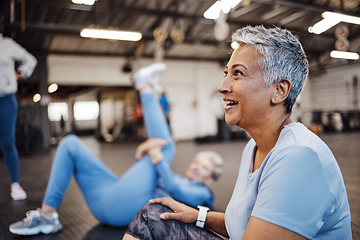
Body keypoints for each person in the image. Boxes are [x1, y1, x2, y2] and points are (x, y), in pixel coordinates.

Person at [123, 26, 352, 240]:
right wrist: (198, 216)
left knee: (152, 223)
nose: (223, 86)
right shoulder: (253, 147)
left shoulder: (298, 156)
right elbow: (247, 224)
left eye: (238, 74)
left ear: (279, 90)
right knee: (155, 215)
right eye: (227, 73)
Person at [9, 62, 224, 236]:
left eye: (204, 167)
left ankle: (145, 87)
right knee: (70, 144)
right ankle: (47, 215)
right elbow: (140, 181)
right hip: (110, 195)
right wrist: (141, 157)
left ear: (211, 178)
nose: (196, 167)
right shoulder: (179, 176)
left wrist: (156, 158)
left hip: (122, 210)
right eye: (197, 162)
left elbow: (176, 192)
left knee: (166, 149)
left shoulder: (203, 195)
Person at [0, 33, 37, 201]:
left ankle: (15, 184)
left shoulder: (7, 44)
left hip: (6, 99)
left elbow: (31, 60)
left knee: (7, 142)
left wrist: (20, 73)